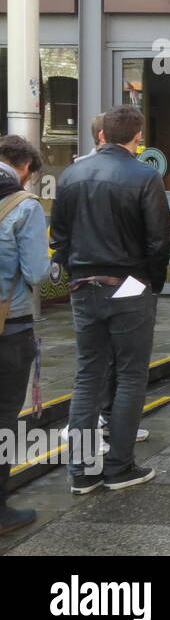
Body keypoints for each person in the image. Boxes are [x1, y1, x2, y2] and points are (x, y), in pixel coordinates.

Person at [52, 105, 170, 494]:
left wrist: (74, 273)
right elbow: (158, 240)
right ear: (137, 136)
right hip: (130, 283)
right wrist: (152, 283)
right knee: (132, 374)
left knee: (88, 374)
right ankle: (120, 466)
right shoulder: (145, 176)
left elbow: (60, 236)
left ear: (102, 134)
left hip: (85, 284)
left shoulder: (72, 174)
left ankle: (81, 471)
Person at [0, 136, 48, 531]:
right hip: (8, 325)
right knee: (3, 418)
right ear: (26, 168)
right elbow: (35, 273)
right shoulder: (24, 207)